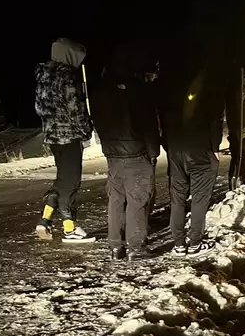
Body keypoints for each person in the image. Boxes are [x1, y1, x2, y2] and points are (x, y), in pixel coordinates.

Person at [92, 50, 161, 260]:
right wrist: (153, 151)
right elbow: (147, 123)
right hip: (135, 153)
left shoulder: (100, 91)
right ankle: (136, 247)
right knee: (137, 199)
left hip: (112, 154)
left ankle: (115, 245)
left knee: (116, 199)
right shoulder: (136, 91)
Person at [34, 38, 94, 242]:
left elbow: (39, 108)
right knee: (71, 182)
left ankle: (45, 220)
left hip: (52, 136)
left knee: (62, 180)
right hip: (69, 136)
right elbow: (75, 109)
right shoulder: (67, 76)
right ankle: (70, 229)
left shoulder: (43, 75)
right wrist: (86, 130)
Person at [164, 66, 226, 255]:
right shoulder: (210, 94)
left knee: (178, 198)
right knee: (199, 198)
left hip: (176, 151)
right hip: (200, 151)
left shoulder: (171, 93)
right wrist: (214, 148)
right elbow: (216, 122)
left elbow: (163, 123)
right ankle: (195, 243)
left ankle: (178, 243)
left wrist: (170, 148)